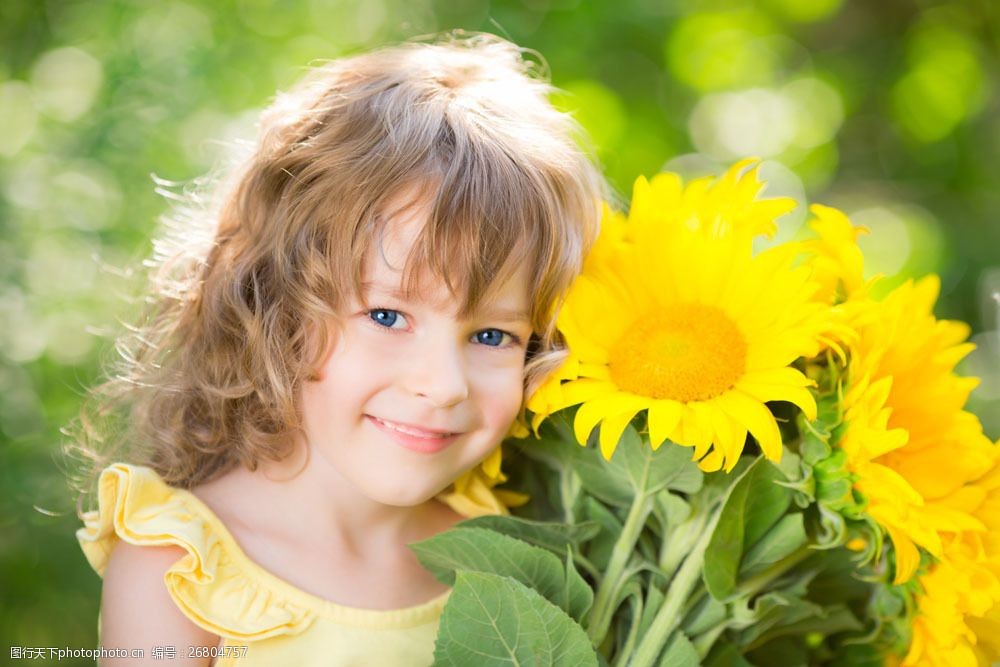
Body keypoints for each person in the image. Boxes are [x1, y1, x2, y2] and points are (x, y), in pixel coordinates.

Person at [70, 32, 606, 666]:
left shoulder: (509, 552)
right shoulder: (183, 571)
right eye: (387, 314)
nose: (444, 384)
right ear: (276, 305)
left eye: (493, 335)